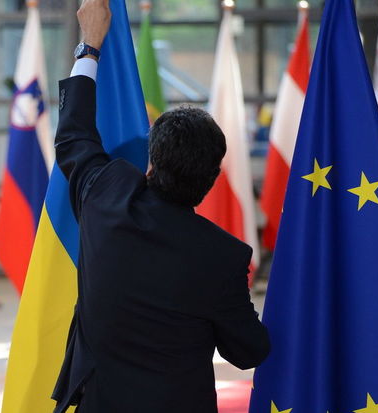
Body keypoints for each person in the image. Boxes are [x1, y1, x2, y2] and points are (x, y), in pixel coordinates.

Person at [51, 0, 270, 411]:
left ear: (151, 161)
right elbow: (249, 352)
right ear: (212, 179)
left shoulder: (106, 196)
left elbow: (73, 135)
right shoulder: (223, 256)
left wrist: (90, 47)